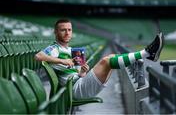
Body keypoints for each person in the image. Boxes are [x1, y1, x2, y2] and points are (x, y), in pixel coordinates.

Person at [35, 19, 164, 99]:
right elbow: (38, 56)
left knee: (112, 58)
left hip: (78, 82)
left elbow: (74, 74)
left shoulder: (71, 51)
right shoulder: (54, 48)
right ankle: (147, 53)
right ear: (56, 32)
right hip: (74, 89)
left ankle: (149, 54)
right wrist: (62, 61)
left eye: (69, 30)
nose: (67, 33)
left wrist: (82, 73)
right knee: (106, 61)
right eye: (63, 30)